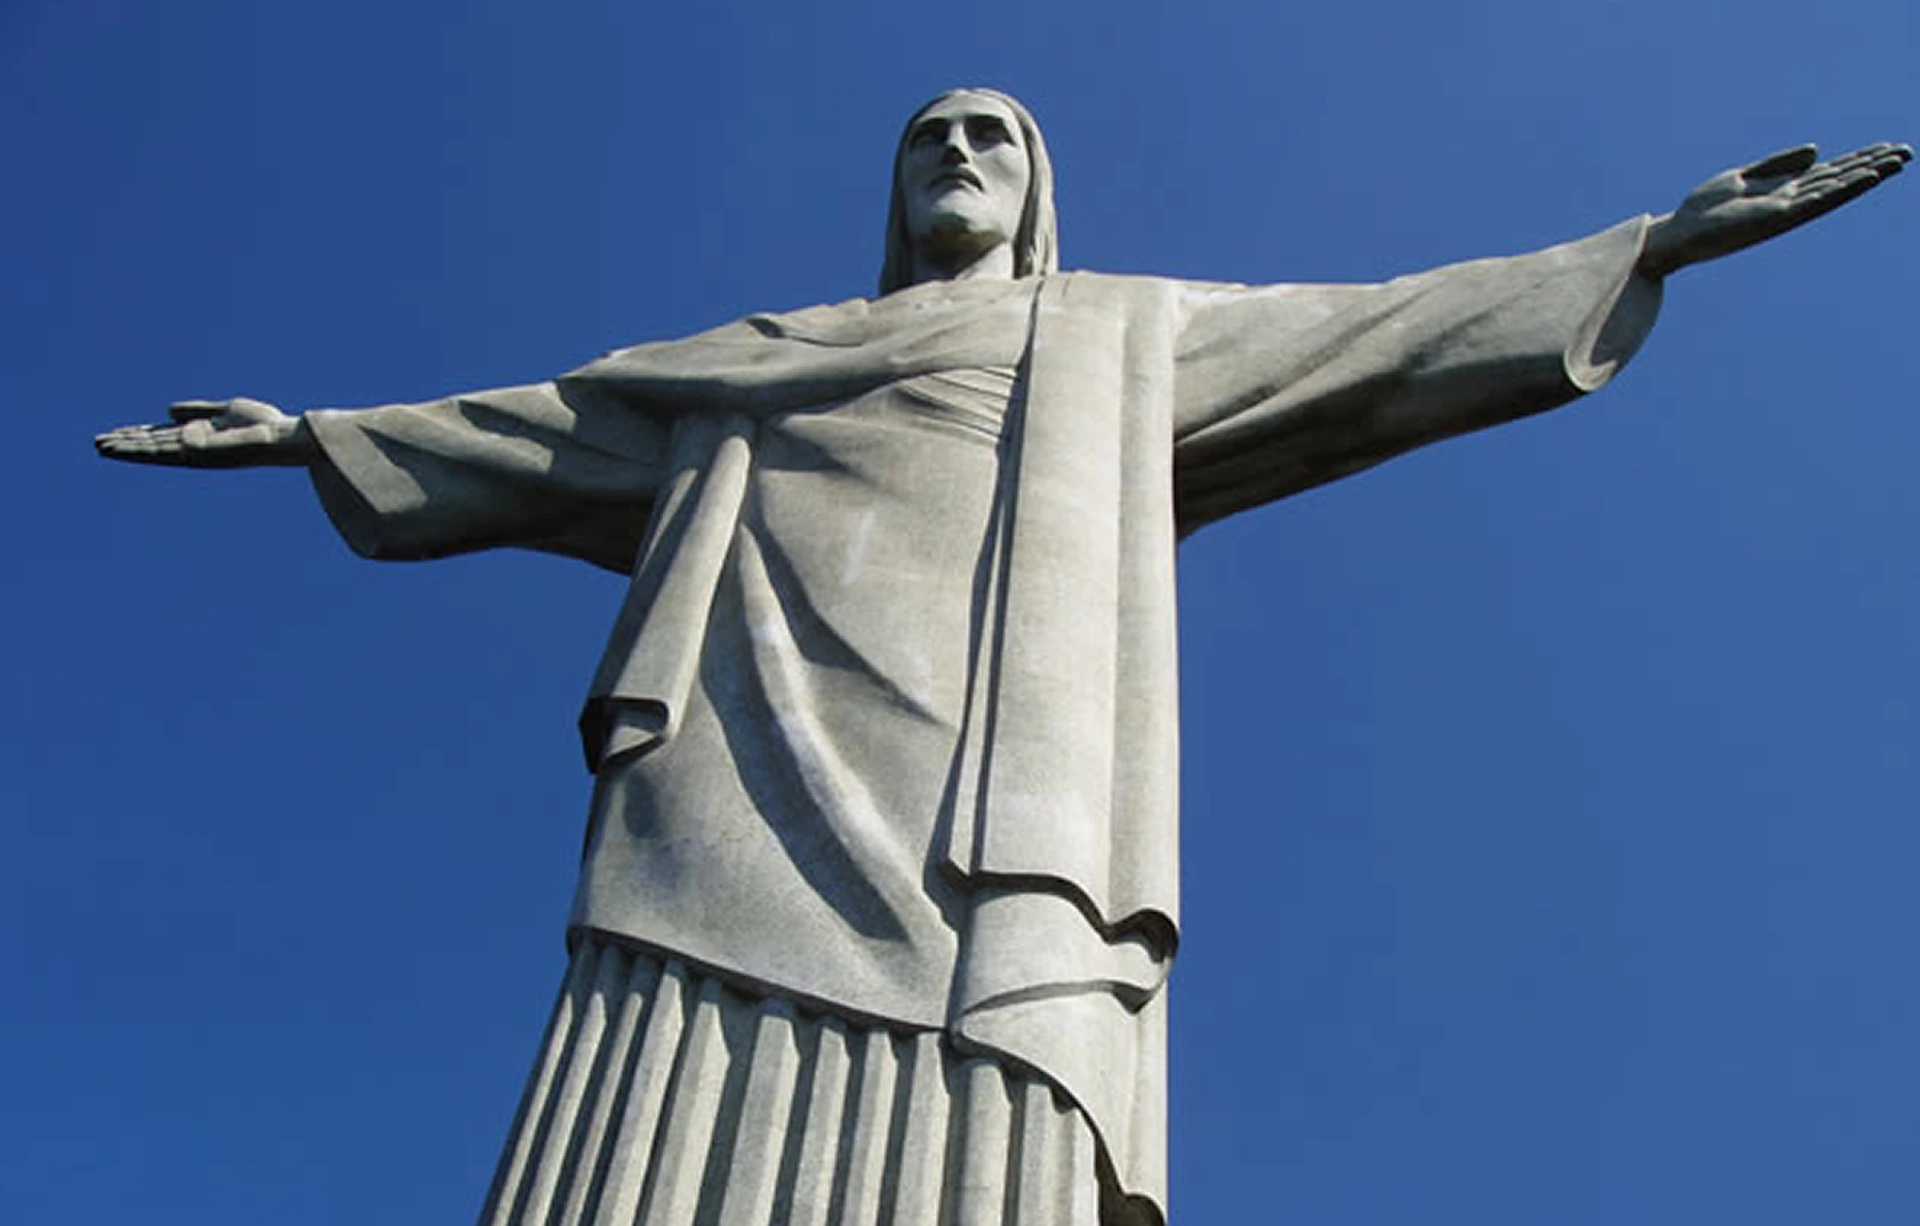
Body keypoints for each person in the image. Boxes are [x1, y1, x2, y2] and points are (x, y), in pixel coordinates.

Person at [96, 89, 1907, 1226]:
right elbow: (546, 426)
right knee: (656, 1065)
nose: (958, 157)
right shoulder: (756, 350)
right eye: (927, 139)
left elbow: (1378, 333)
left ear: (1037, 193)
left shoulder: (1122, 335)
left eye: (995, 140)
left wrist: (1646, 242)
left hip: (993, 777)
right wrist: (309, 432)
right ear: (890, 193)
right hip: (735, 741)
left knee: (991, 1106)